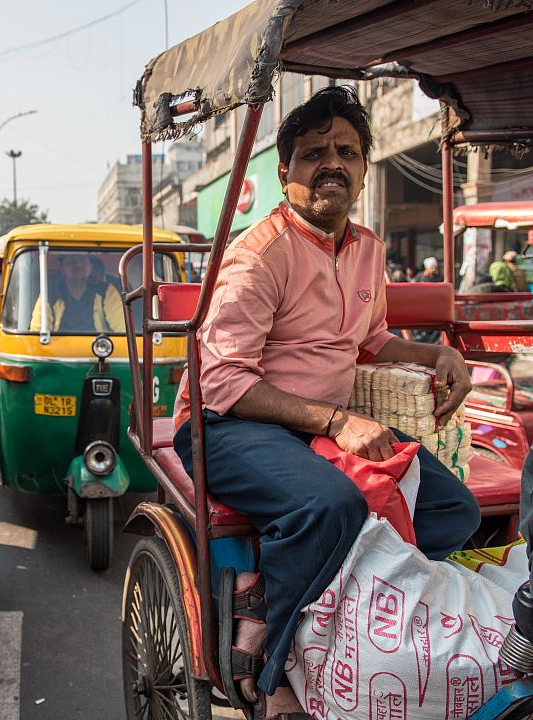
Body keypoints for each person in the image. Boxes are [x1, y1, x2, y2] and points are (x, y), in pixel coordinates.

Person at [171, 87, 480, 719]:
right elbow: (223, 381)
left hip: (314, 431)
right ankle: (271, 662)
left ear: (365, 167)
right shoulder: (260, 254)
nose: (331, 163)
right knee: (331, 505)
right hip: (226, 426)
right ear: (285, 172)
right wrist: (340, 423)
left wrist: (435, 355)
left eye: (346, 150)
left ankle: (345, 620)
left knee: (455, 509)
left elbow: (369, 340)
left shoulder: (365, 247)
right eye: (314, 153)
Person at [29, 252, 124, 333]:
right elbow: (37, 332)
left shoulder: (106, 291)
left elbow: (122, 328)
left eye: (83, 260)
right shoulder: (50, 293)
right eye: (71, 261)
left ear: (90, 266)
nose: (78, 265)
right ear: (62, 268)